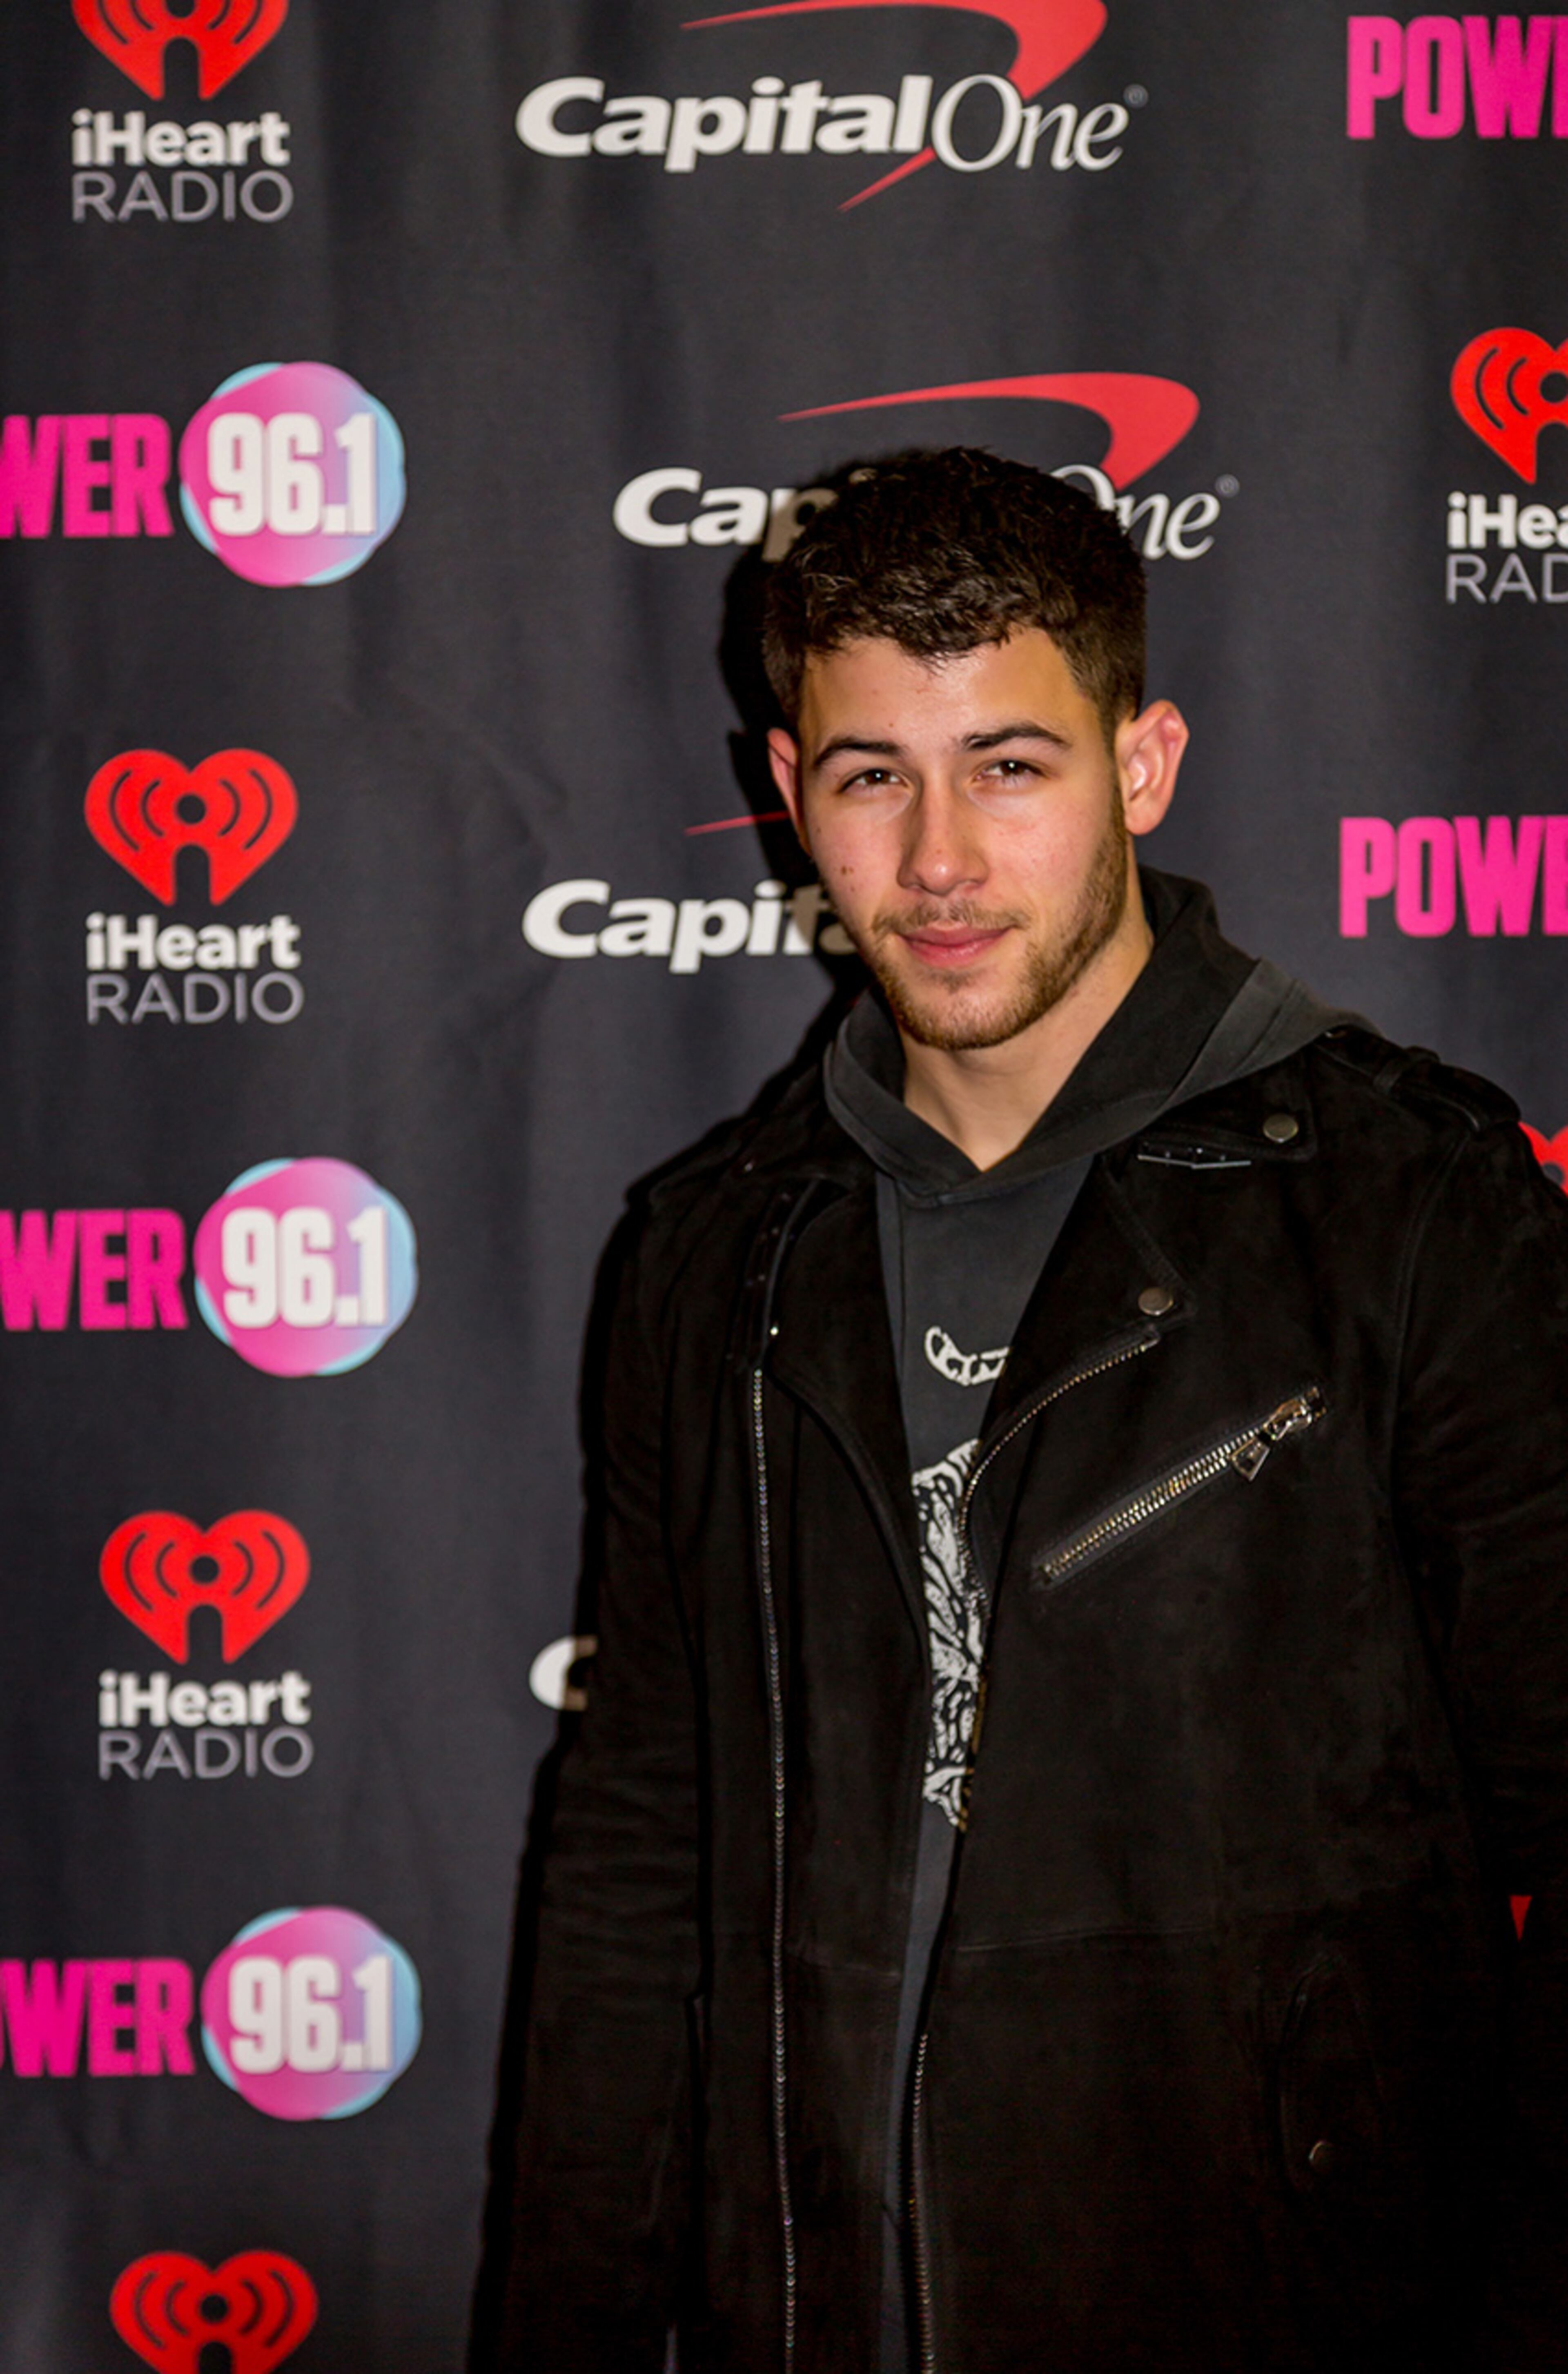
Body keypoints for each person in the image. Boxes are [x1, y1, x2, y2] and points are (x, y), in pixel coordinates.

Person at [490, 449, 1568, 2373]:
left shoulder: (1415, 1211)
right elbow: (637, 1864)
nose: (938, 862)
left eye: (1011, 762)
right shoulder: (713, 1260)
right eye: (869, 774)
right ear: (787, 795)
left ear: (1141, 766)